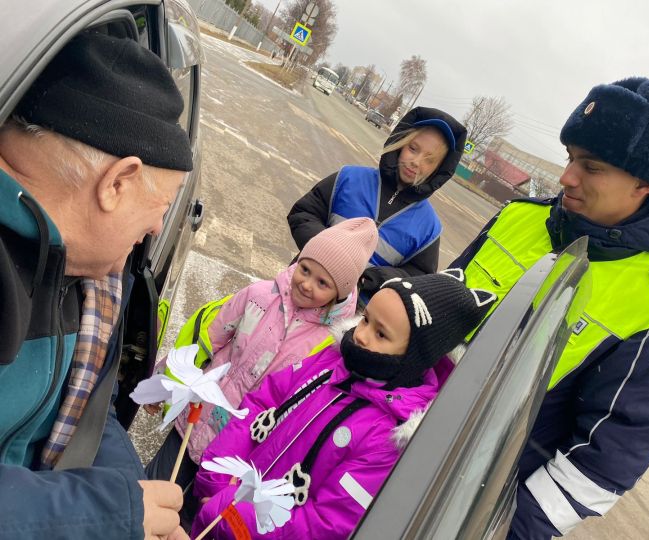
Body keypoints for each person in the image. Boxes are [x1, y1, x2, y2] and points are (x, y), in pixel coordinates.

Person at [450, 77, 649, 539]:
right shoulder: (518, 217)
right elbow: (436, 304)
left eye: (591, 166)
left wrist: (492, 529)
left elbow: (600, 465)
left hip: (458, 508)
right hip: (378, 443)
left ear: (647, 184)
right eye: (570, 157)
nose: (567, 176)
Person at [0, 33, 194, 539]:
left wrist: (136, 502)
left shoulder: (95, 278)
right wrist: (106, 514)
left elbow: (88, 407)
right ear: (117, 183)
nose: (157, 229)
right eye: (163, 204)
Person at [190, 271, 496, 539]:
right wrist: (218, 479)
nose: (360, 335)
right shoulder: (332, 360)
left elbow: (326, 523)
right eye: (366, 319)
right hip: (219, 504)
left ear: (415, 357)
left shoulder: (388, 435)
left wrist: (231, 515)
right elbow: (261, 403)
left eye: (380, 333)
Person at [145, 218, 378, 526]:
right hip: (195, 417)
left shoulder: (326, 344)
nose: (307, 284)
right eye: (306, 270)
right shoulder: (258, 295)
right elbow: (205, 339)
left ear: (339, 293)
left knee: (196, 518)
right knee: (153, 491)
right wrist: (165, 382)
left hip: (238, 448)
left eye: (323, 283)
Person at [287, 106, 467, 303]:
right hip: (299, 289)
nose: (416, 162)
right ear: (400, 143)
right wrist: (328, 257)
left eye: (429, 159)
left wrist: (375, 278)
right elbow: (303, 213)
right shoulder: (348, 178)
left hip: (352, 315)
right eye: (413, 148)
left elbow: (418, 276)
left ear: (439, 169)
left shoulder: (429, 228)